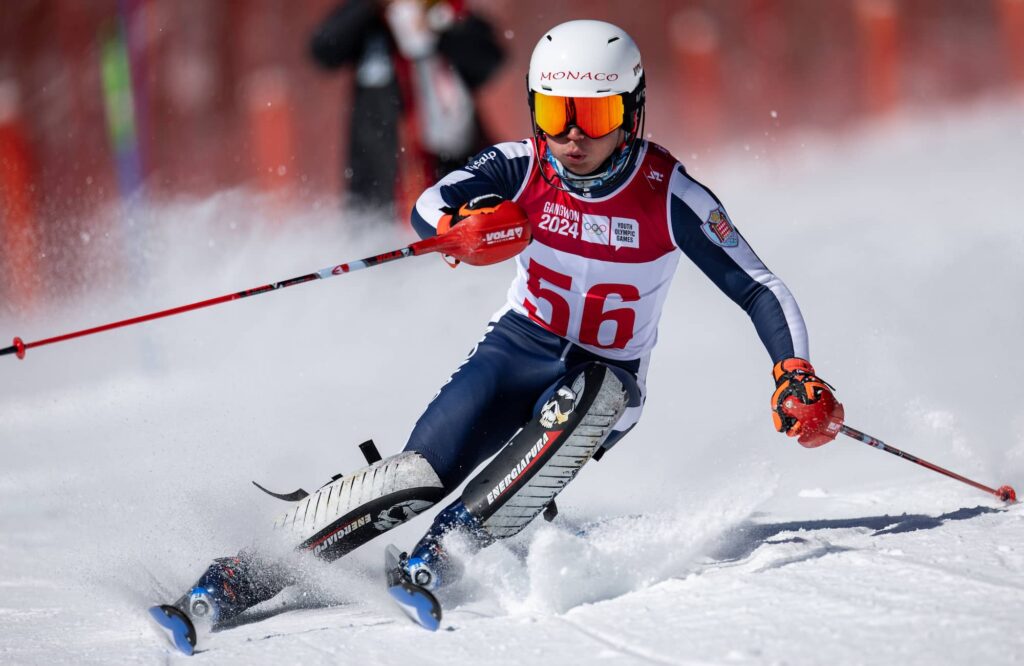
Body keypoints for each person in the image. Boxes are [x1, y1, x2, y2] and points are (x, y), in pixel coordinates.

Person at [164, 19, 843, 633]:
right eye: (555, 112)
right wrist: (459, 227)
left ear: (632, 112)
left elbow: (759, 286)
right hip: (517, 346)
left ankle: (448, 549)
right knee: (413, 477)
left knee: (595, 396)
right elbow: (431, 204)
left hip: (606, 377)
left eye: (596, 114)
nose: (573, 134)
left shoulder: (669, 194)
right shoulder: (524, 165)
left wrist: (794, 372)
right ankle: (239, 575)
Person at [309, 0, 504, 218]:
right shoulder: (371, 23)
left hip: (450, 163)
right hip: (381, 175)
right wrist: (370, 8)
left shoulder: (447, 13)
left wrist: (440, 28)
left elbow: (489, 62)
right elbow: (324, 50)